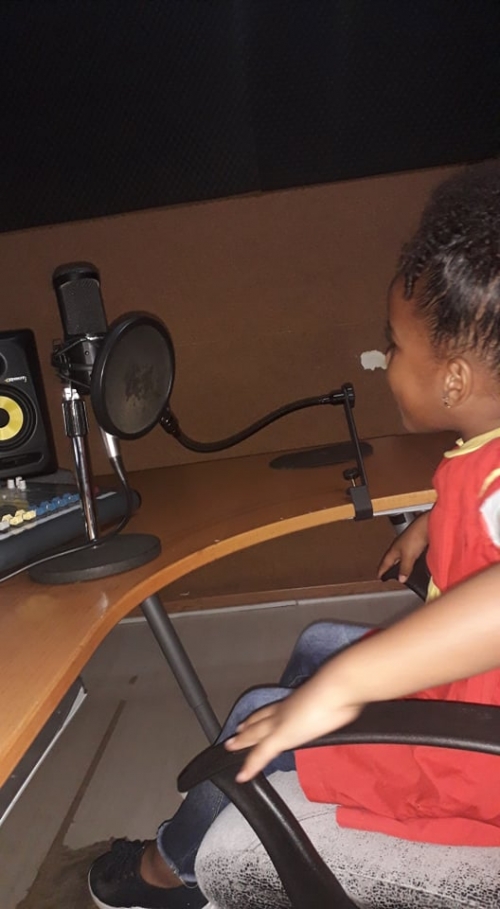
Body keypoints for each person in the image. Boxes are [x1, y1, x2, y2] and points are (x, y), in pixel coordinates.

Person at [89, 161, 500, 909]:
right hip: (469, 689)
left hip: (470, 763)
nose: (383, 363)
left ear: (453, 381)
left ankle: (165, 871)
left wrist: (342, 689)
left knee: (256, 718)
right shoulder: (485, 454)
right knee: (315, 644)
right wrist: (430, 526)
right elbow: (477, 508)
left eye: (394, 347)